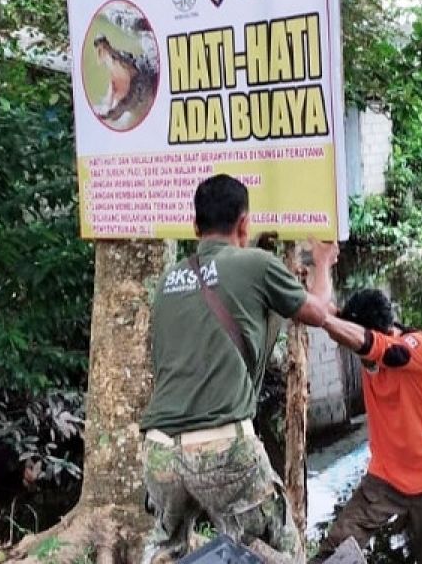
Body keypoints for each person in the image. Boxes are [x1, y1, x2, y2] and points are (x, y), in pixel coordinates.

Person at [139, 174, 337, 563]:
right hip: (222, 449)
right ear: (244, 223)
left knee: (166, 551)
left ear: (195, 227)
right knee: (277, 552)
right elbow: (320, 311)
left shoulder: (167, 281)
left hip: (159, 449)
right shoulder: (256, 264)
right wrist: (324, 263)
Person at [314, 289, 422, 564]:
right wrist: (322, 259)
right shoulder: (368, 346)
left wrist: (325, 320)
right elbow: (332, 319)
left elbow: (379, 348)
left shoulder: (418, 347)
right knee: (335, 549)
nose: (359, 354)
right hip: (385, 479)